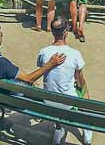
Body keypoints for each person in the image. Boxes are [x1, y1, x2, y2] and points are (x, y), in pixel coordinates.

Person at [38, 17, 90, 145]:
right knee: (84, 89)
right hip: (68, 102)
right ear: (66, 32)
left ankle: (59, 127)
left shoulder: (44, 52)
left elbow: (42, 68)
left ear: (52, 32)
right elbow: (80, 81)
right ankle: (87, 126)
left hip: (48, 101)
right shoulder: (75, 54)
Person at [0, 24, 65, 84]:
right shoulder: (2, 63)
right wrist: (50, 64)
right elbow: (29, 79)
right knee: (28, 83)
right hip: (6, 96)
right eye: (1, 36)